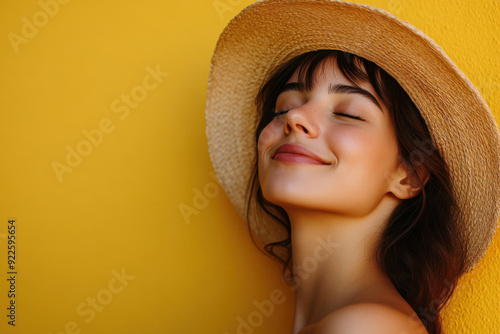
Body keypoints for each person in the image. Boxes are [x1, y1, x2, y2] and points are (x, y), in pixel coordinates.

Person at [205, 1, 500, 333]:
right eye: (283, 107)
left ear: (410, 173)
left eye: (347, 113)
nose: (295, 118)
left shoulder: (363, 326)